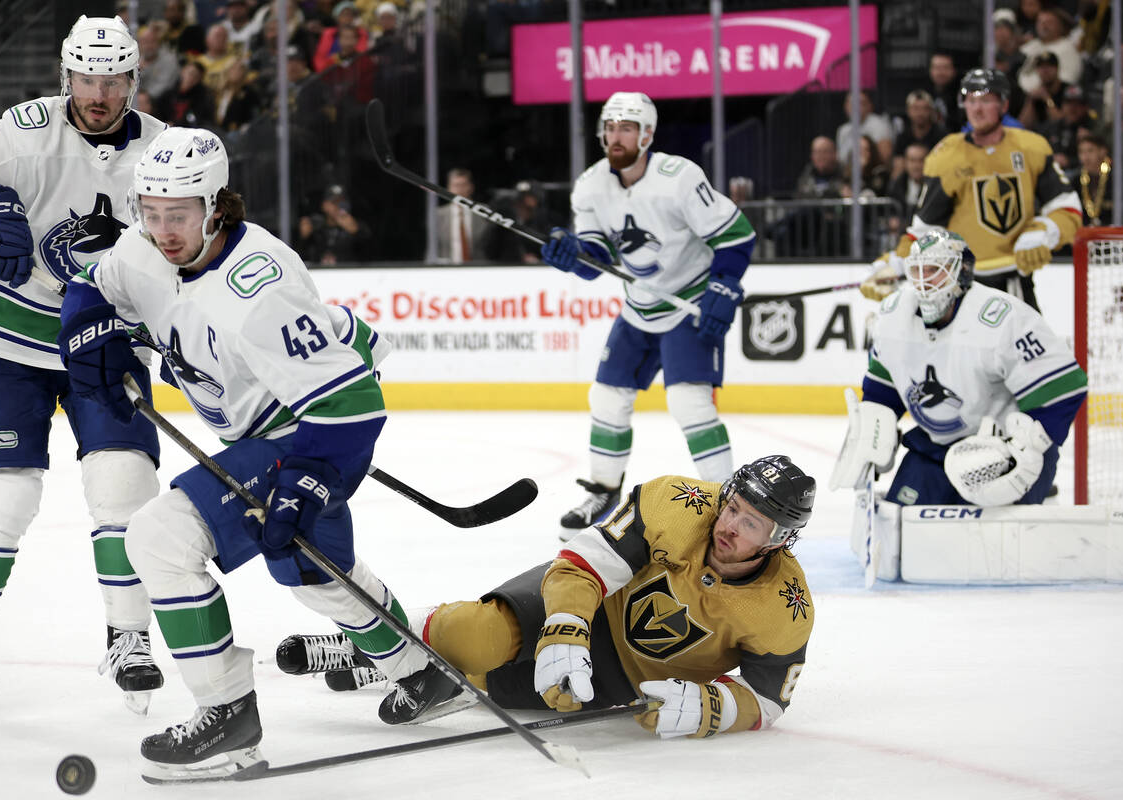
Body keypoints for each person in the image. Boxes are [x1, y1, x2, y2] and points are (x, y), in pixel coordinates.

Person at [57, 127, 426, 780]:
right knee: (311, 570)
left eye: (180, 214)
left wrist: (311, 479)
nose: (163, 230)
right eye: (150, 212)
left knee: (161, 538)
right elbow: (96, 278)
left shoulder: (258, 291)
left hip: (305, 432)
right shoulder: (144, 249)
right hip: (255, 433)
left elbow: (350, 407)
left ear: (218, 206)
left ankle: (228, 719)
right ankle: (423, 675)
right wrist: (86, 326)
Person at [277, 455, 816, 735]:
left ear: (779, 541)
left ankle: (405, 667)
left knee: (485, 680)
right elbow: (583, 564)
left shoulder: (784, 607)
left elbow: (769, 699)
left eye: (752, 525)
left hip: (621, 683)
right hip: (581, 603)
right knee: (478, 634)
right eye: (734, 507)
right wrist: (567, 626)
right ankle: (366, 645)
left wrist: (712, 707)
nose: (730, 526)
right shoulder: (677, 502)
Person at [0, 15, 167, 712]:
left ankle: (129, 640)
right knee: (2, 499)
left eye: (114, 79)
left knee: (125, 485)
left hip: (103, 339)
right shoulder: (20, 128)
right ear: (66, 76)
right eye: (87, 78)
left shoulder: (163, 149)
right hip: (9, 342)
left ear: (133, 80)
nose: (99, 92)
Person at [539, 92, 756, 540]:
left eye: (627, 127)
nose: (616, 136)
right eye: (610, 127)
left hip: (688, 302)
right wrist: (572, 252)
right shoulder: (591, 185)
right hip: (639, 307)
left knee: (689, 402)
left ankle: (724, 501)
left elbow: (737, 235)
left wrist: (723, 285)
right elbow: (597, 259)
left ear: (647, 135)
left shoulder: (678, 178)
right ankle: (603, 490)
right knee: (606, 397)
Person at [830, 229, 1087, 520]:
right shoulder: (893, 316)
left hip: (1001, 456)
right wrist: (872, 434)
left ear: (961, 271)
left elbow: (1063, 387)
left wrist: (1025, 450)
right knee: (903, 540)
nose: (925, 281)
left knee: (994, 554)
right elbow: (883, 387)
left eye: (935, 270)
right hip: (934, 451)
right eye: (917, 271)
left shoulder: (1002, 317)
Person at [862, 68, 1081, 311]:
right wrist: (894, 262)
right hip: (964, 283)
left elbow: (1068, 208)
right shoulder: (947, 155)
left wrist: (1043, 231)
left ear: (1004, 105)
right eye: (971, 100)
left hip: (1015, 283)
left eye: (986, 100)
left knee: (1030, 348)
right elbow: (925, 230)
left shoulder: (1031, 147)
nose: (977, 109)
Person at [433, 168, 491, 262]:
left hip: (479, 269)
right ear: (449, 188)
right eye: (456, 185)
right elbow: (434, 247)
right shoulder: (438, 215)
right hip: (448, 270)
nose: (459, 190)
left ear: (471, 187)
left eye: (463, 185)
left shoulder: (484, 211)